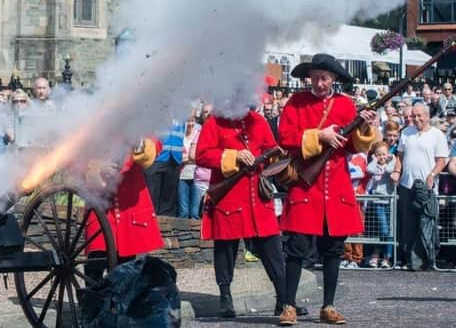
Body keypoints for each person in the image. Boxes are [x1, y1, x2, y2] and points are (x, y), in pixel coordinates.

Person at [277, 53, 376, 325]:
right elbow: (285, 137)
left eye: (325, 78)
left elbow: (355, 146)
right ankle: (288, 305)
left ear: (333, 79)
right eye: (317, 77)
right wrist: (318, 135)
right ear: (310, 77)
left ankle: (329, 306)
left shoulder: (345, 105)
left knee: (333, 250)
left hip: (336, 188)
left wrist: (365, 124)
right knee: (296, 250)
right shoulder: (296, 103)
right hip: (306, 187)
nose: (320, 83)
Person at [196, 110, 288, 319]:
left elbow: (270, 148)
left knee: (271, 247)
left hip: (257, 196)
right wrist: (233, 155)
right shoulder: (215, 121)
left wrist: (272, 157)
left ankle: (283, 298)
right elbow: (202, 154)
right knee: (225, 249)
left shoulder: (257, 120)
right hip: (229, 196)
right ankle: (225, 298)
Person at [85, 139, 164, 280]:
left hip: (128, 202)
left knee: (126, 263)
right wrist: (97, 167)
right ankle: (93, 300)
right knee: (97, 258)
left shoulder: (137, 120)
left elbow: (156, 144)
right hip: (101, 203)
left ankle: (120, 300)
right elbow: (74, 154)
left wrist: (142, 144)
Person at [394, 103, 448, 270]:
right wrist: (397, 171)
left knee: (426, 223)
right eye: (414, 116)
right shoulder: (406, 133)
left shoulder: (437, 135)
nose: (416, 119)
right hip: (406, 184)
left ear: (427, 116)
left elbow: (442, 160)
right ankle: (410, 260)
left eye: (419, 116)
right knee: (408, 224)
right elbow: (400, 156)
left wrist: (432, 175)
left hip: (426, 186)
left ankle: (426, 260)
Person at [366, 141, 396, 269]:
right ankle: (378, 255)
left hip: (390, 200)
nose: (382, 157)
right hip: (378, 201)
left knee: (390, 230)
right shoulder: (375, 166)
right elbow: (369, 169)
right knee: (384, 230)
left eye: (384, 154)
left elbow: (389, 170)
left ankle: (387, 258)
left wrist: (392, 158)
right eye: (379, 155)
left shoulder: (391, 164)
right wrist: (374, 160)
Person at [144, 120, 185, 216]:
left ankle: (166, 228)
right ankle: (150, 225)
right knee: (152, 196)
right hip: (156, 157)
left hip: (174, 158)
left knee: (169, 200)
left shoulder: (181, 110)